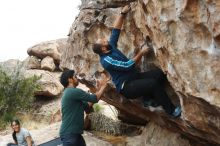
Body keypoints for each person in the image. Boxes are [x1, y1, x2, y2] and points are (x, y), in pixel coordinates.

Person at [92, 5, 181, 118]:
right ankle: (172, 111)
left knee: (159, 74)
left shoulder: (110, 47)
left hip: (135, 77)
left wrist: (122, 14)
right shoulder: (106, 60)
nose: (106, 40)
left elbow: (115, 31)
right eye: (104, 41)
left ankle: (148, 98)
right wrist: (141, 53)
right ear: (103, 49)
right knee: (152, 84)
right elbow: (127, 65)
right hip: (127, 87)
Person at [59, 69, 108, 146]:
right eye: (75, 77)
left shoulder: (70, 93)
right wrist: (104, 85)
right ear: (70, 79)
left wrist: (99, 89)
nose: (77, 78)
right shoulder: (73, 91)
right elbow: (95, 98)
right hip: (70, 135)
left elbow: (88, 105)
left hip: (75, 135)